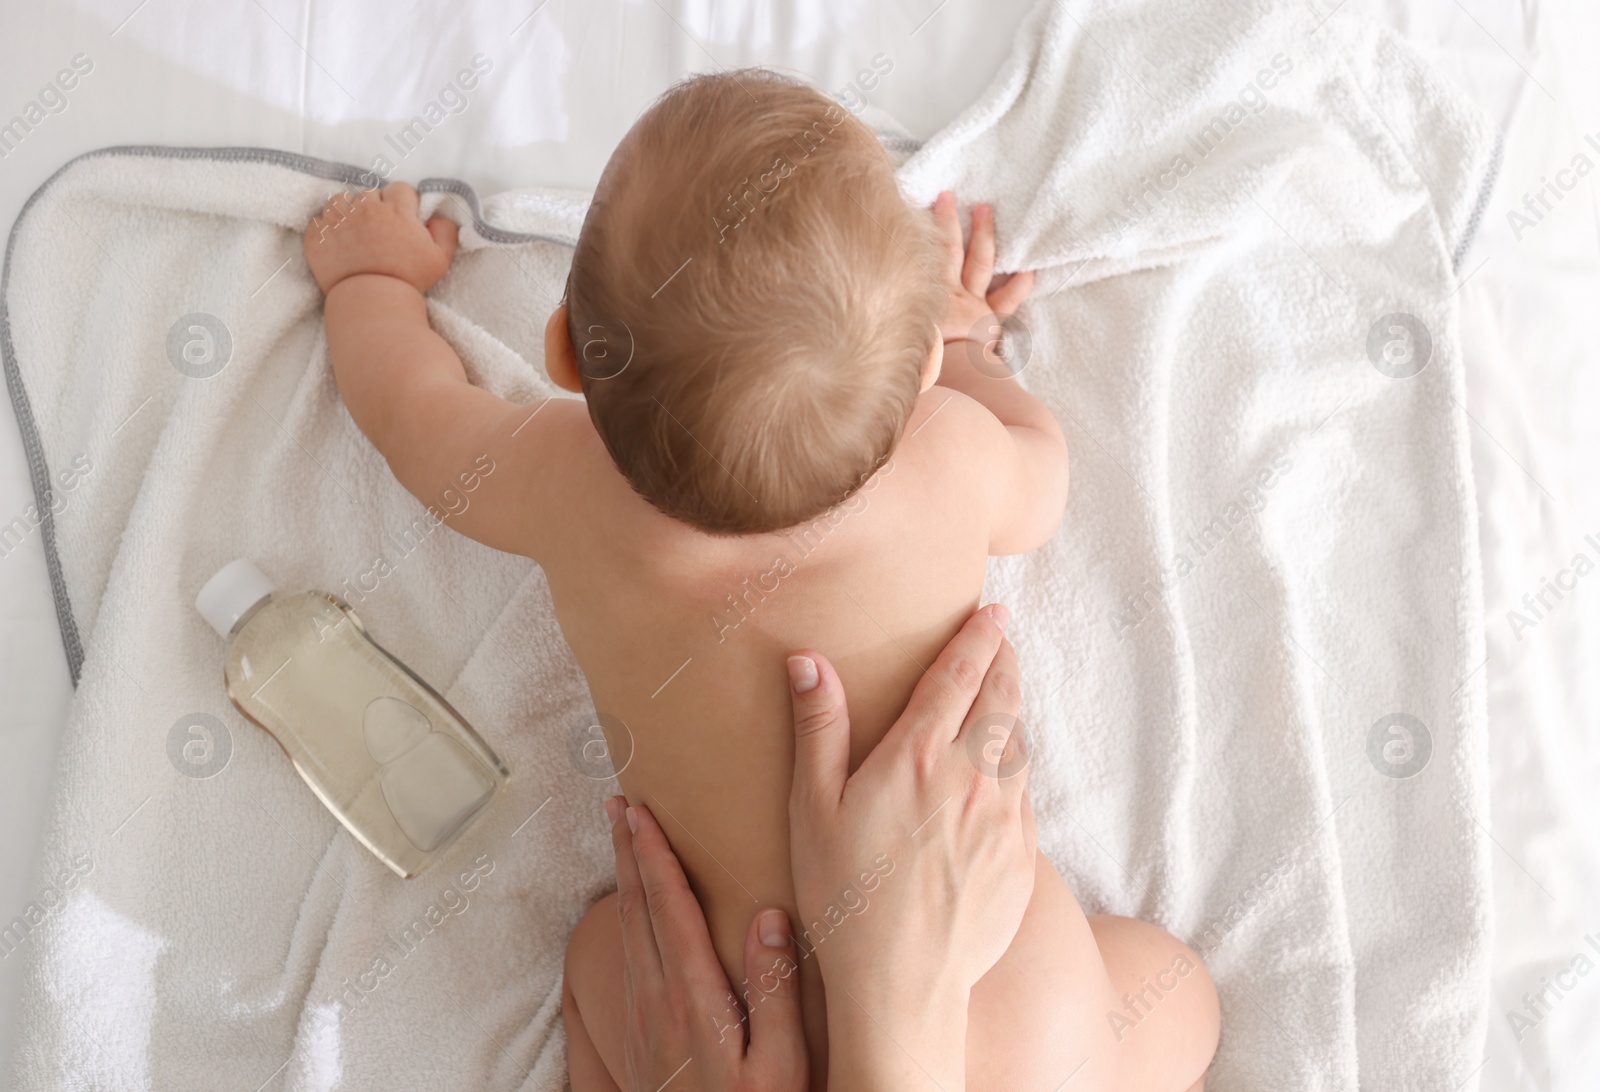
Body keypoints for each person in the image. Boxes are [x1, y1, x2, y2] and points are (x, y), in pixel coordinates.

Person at [304, 65, 1218, 1090]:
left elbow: (411, 420)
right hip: (1012, 1003)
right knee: (1170, 989)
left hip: (738, 1004)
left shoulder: (562, 481)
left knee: (604, 950)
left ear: (563, 348)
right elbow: (1040, 475)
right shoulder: (954, 455)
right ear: (916, 369)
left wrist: (369, 287)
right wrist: (968, 342)